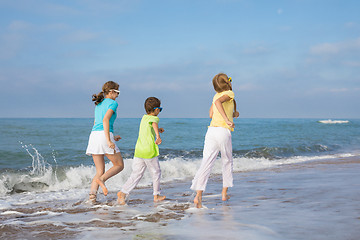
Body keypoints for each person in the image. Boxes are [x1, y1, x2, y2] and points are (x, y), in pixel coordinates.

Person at [190, 73, 239, 208]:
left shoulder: (215, 96)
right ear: (227, 83)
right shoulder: (230, 93)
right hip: (223, 131)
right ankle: (224, 193)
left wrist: (232, 114)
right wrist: (227, 119)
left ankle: (198, 195)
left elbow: (211, 114)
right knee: (227, 161)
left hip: (211, 131)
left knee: (207, 162)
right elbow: (218, 104)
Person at [117, 97, 166, 205]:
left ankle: (123, 192)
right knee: (156, 172)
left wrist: (158, 130)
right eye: (160, 109)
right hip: (149, 151)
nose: (159, 112)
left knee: (136, 174)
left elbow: (150, 126)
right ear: (156, 109)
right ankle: (156, 195)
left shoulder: (144, 118)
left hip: (139, 151)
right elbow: (153, 124)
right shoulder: (155, 119)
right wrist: (158, 136)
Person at [86, 81, 124, 202]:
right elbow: (105, 120)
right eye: (117, 92)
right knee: (119, 165)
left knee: (99, 171)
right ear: (112, 91)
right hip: (103, 136)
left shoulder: (99, 104)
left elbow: (96, 123)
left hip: (94, 136)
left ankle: (92, 197)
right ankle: (102, 180)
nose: (118, 95)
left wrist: (112, 136)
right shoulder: (113, 103)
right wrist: (108, 140)